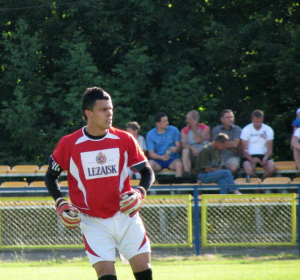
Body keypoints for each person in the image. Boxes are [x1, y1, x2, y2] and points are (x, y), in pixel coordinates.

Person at [44, 87, 155, 280]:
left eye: (110, 109)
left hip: (126, 215)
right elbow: (50, 176)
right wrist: (60, 202)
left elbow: (147, 172)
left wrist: (140, 192)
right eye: (103, 109)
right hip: (92, 221)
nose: (110, 113)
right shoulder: (69, 143)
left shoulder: (124, 138)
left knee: (143, 269)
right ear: (89, 113)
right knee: (105, 274)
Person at [146, 112, 184, 182]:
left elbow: (179, 147)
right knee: (149, 165)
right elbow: (151, 153)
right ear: (158, 123)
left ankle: (178, 189)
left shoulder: (174, 130)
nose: (167, 123)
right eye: (164, 121)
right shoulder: (150, 134)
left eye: (167, 120)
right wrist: (161, 157)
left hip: (172, 158)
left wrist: (175, 149)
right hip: (157, 160)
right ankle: (153, 189)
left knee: (179, 165)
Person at [240, 110, 276, 180]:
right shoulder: (246, 130)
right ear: (252, 119)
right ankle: (257, 182)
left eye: (260, 121)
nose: (258, 124)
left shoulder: (268, 130)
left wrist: (265, 158)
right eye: (256, 121)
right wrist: (251, 159)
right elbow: (244, 150)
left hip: (263, 155)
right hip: (249, 155)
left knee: (272, 168)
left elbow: (269, 149)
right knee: (248, 170)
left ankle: (261, 182)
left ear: (262, 119)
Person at [181, 110, 211, 178]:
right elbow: (183, 144)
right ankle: (187, 173)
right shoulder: (184, 130)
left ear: (196, 119)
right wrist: (192, 148)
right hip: (192, 155)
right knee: (185, 150)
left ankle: (201, 176)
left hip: (204, 155)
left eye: (188, 119)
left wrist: (193, 127)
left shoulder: (205, 128)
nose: (186, 121)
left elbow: (199, 140)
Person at [211, 109, 242, 175]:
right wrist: (232, 146)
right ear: (222, 119)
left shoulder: (237, 129)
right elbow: (215, 145)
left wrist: (222, 144)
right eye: (228, 117)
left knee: (233, 168)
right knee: (213, 168)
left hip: (232, 156)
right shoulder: (216, 129)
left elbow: (235, 144)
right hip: (218, 156)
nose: (230, 119)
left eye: (231, 117)